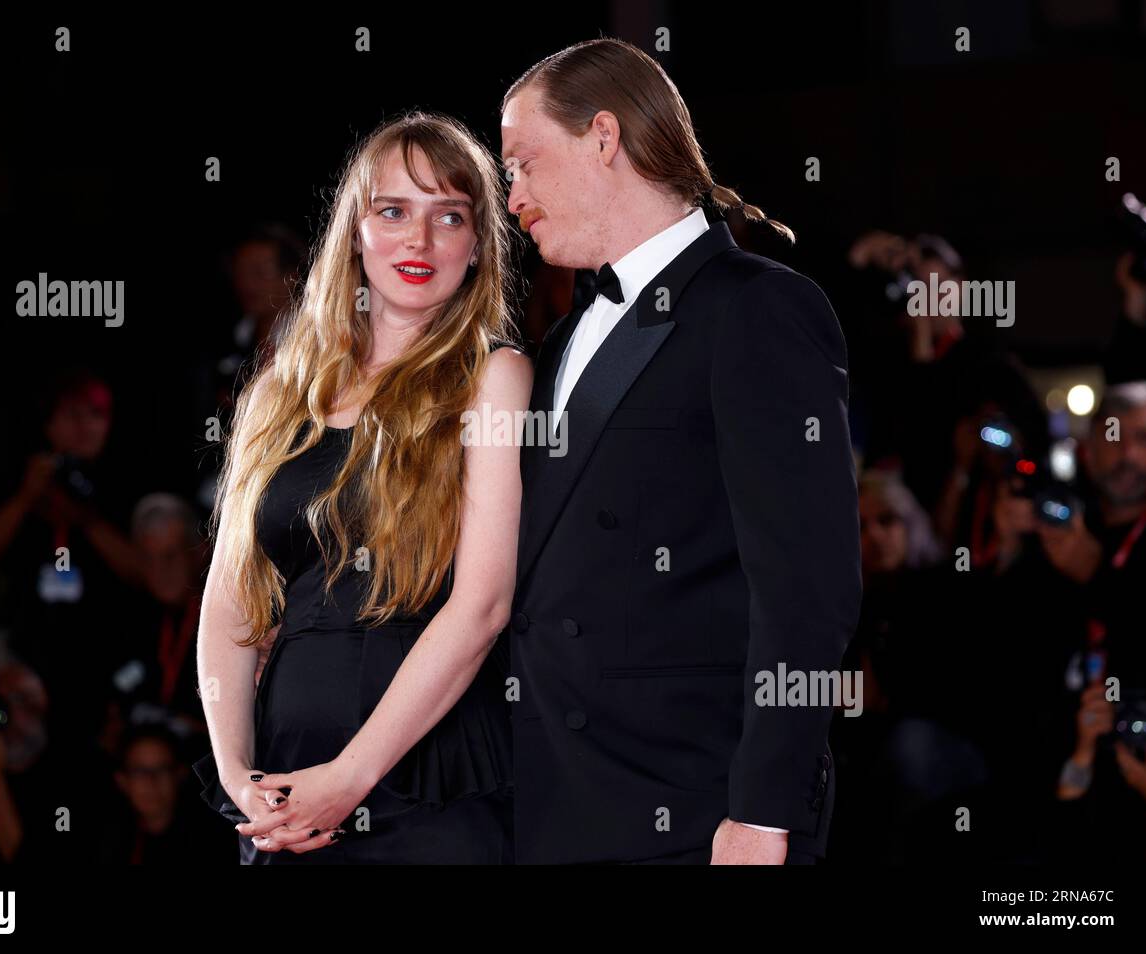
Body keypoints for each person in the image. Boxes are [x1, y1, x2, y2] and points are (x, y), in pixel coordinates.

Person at [500, 38, 862, 864]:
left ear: (602, 136)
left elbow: (810, 588)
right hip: (557, 800)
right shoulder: (557, 343)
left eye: (522, 161)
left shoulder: (759, 310)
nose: (511, 194)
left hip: (698, 811)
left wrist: (766, 809)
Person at [193, 111, 532, 864]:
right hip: (284, 792)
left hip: (428, 784)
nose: (420, 240)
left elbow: (483, 606)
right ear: (354, 230)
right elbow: (229, 603)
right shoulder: (277, 390)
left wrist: (351, 775)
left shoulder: (493, 377)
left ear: (477, 245)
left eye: (450, 216)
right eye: (393, 211)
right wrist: (235, 774)